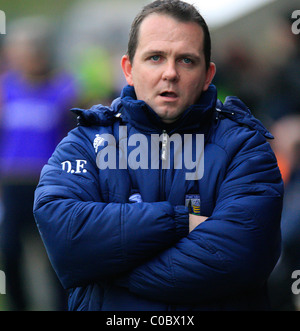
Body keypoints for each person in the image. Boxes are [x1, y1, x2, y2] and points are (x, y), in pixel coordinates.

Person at [33, 0, 283, 311]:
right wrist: (179, 221)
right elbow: (67, 239)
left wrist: (108, 265)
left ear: (208, 74)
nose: (170, 73)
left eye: (187, 61)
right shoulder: (84, 142)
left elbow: (239, 255)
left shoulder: (245, 147)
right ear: (128, 69)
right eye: (155, 57)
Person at [0, 17, 78, 310]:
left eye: (31, 51)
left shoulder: (63, 88)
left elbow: (72, 137)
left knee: (54, 256)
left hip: (48, 184)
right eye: (19, 52)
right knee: (10, 250)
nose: (25, 58)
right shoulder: (5, 89)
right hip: (12, 182)